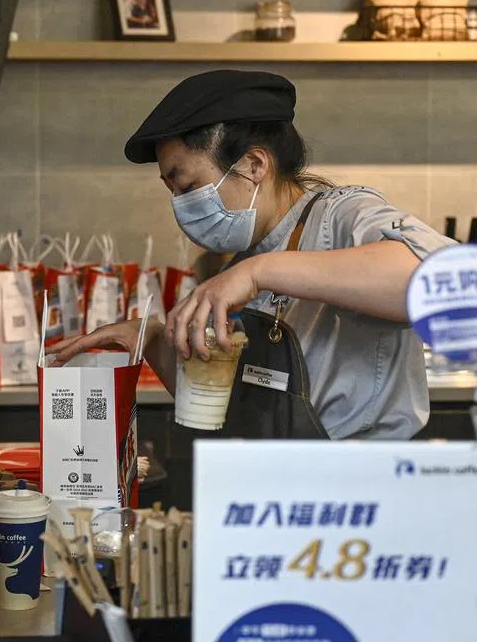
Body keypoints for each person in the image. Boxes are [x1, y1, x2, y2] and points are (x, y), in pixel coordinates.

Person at [52, 70, 455, 439]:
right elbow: (236, 406)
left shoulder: (341, 216)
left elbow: (446, 283)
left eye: (188, 186)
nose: (180, 205)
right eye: (171, 191)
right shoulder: (246, 258)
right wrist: (152, 338)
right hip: (279, 493)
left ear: (254, 164)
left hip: (362, 493)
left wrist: (261, 272)